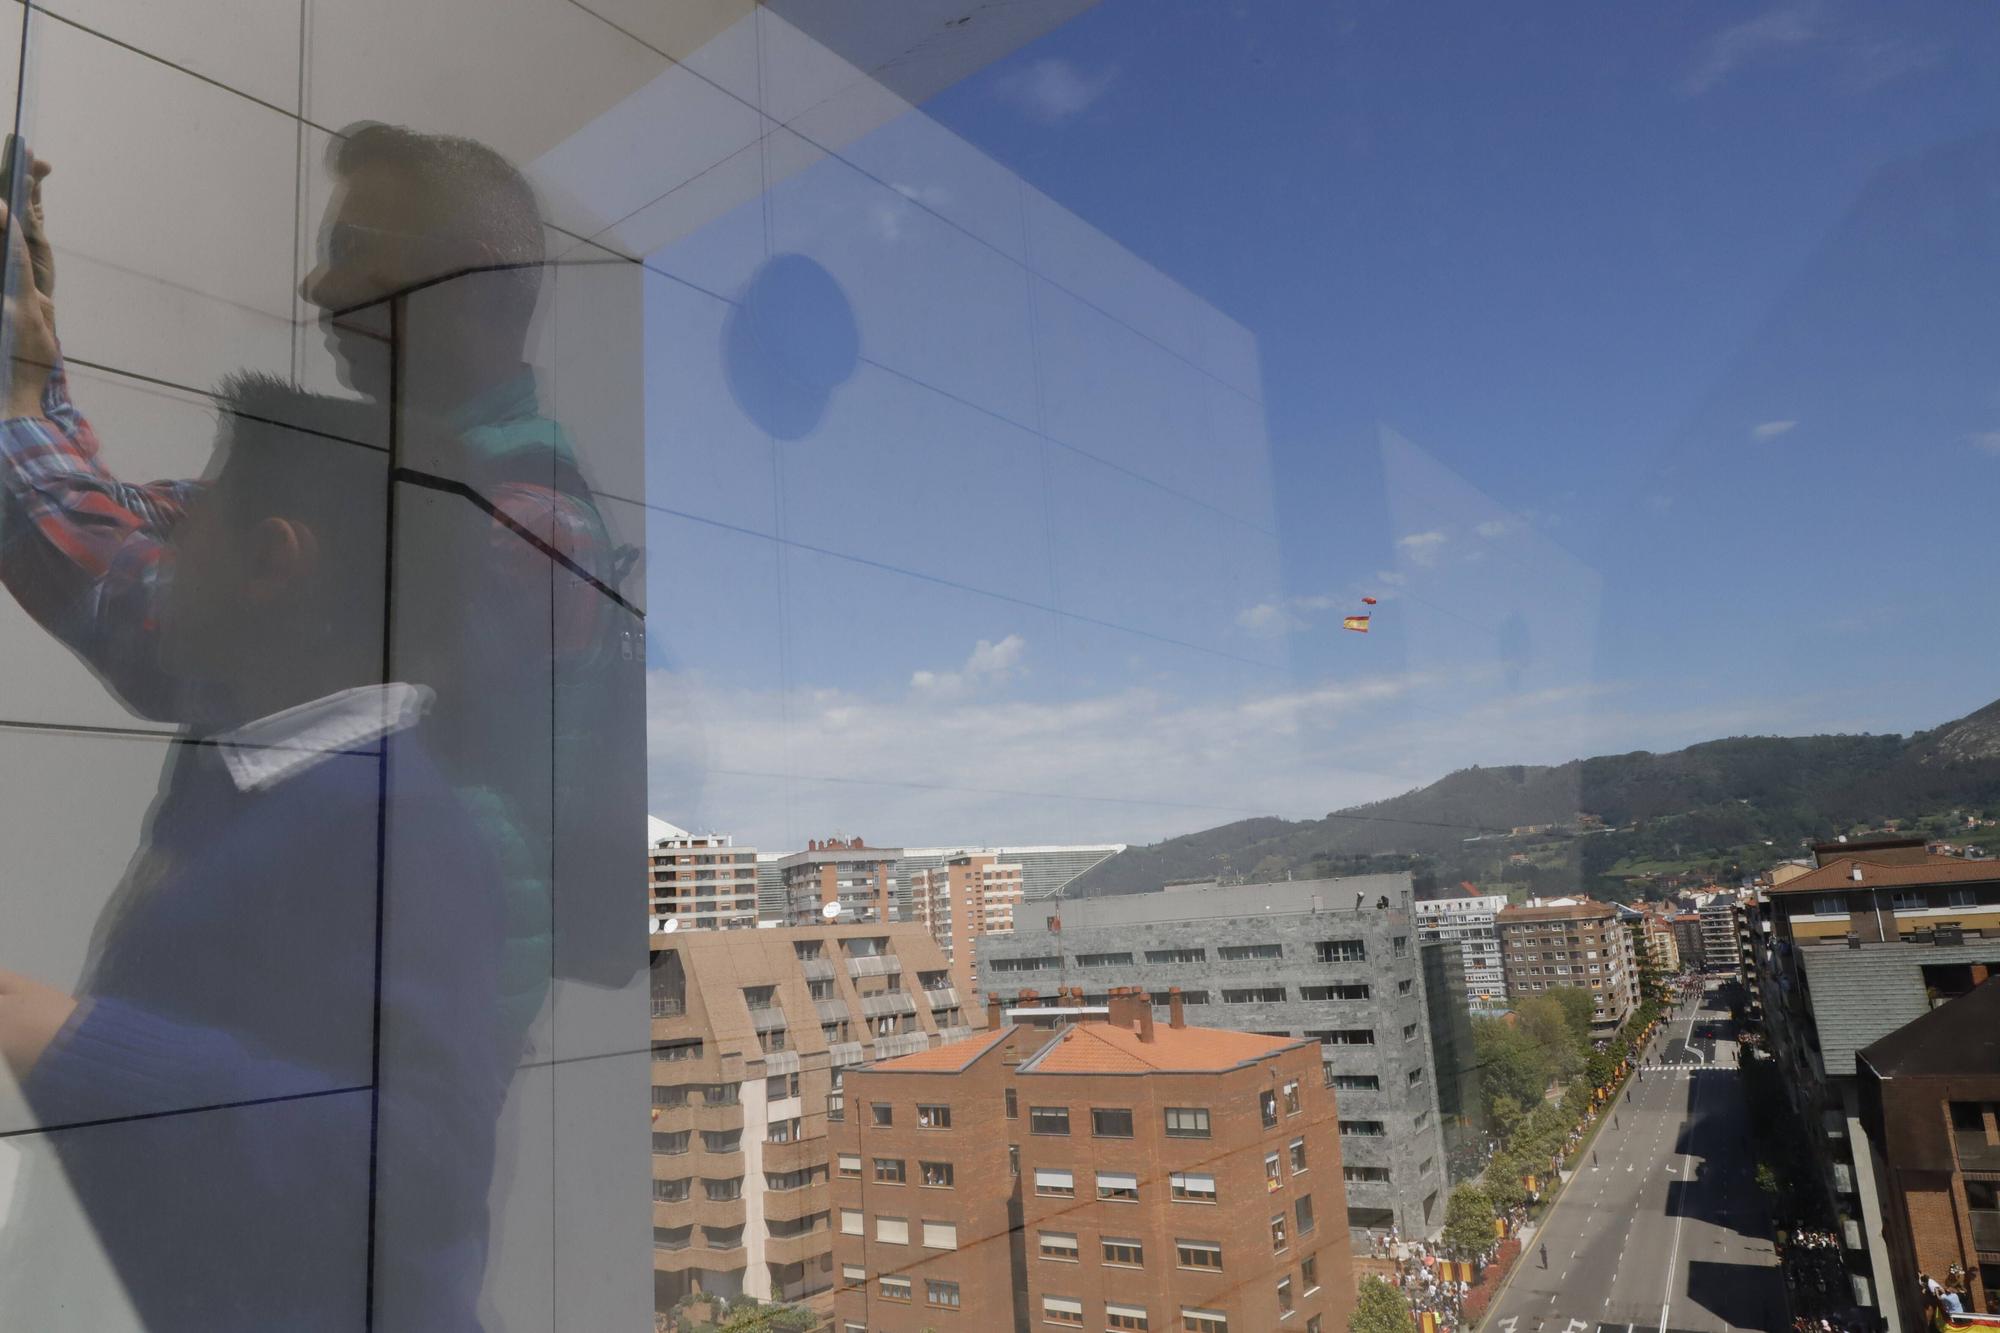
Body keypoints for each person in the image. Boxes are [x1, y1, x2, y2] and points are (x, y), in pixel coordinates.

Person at [0, 124, 640, 1328]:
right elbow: (172, 533)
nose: (315, 285)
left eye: (353, 249)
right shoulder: (402, 478)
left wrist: (63, 1040)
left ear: (469, 289)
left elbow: (156, 608)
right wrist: (33, 375)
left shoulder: (511, 525)